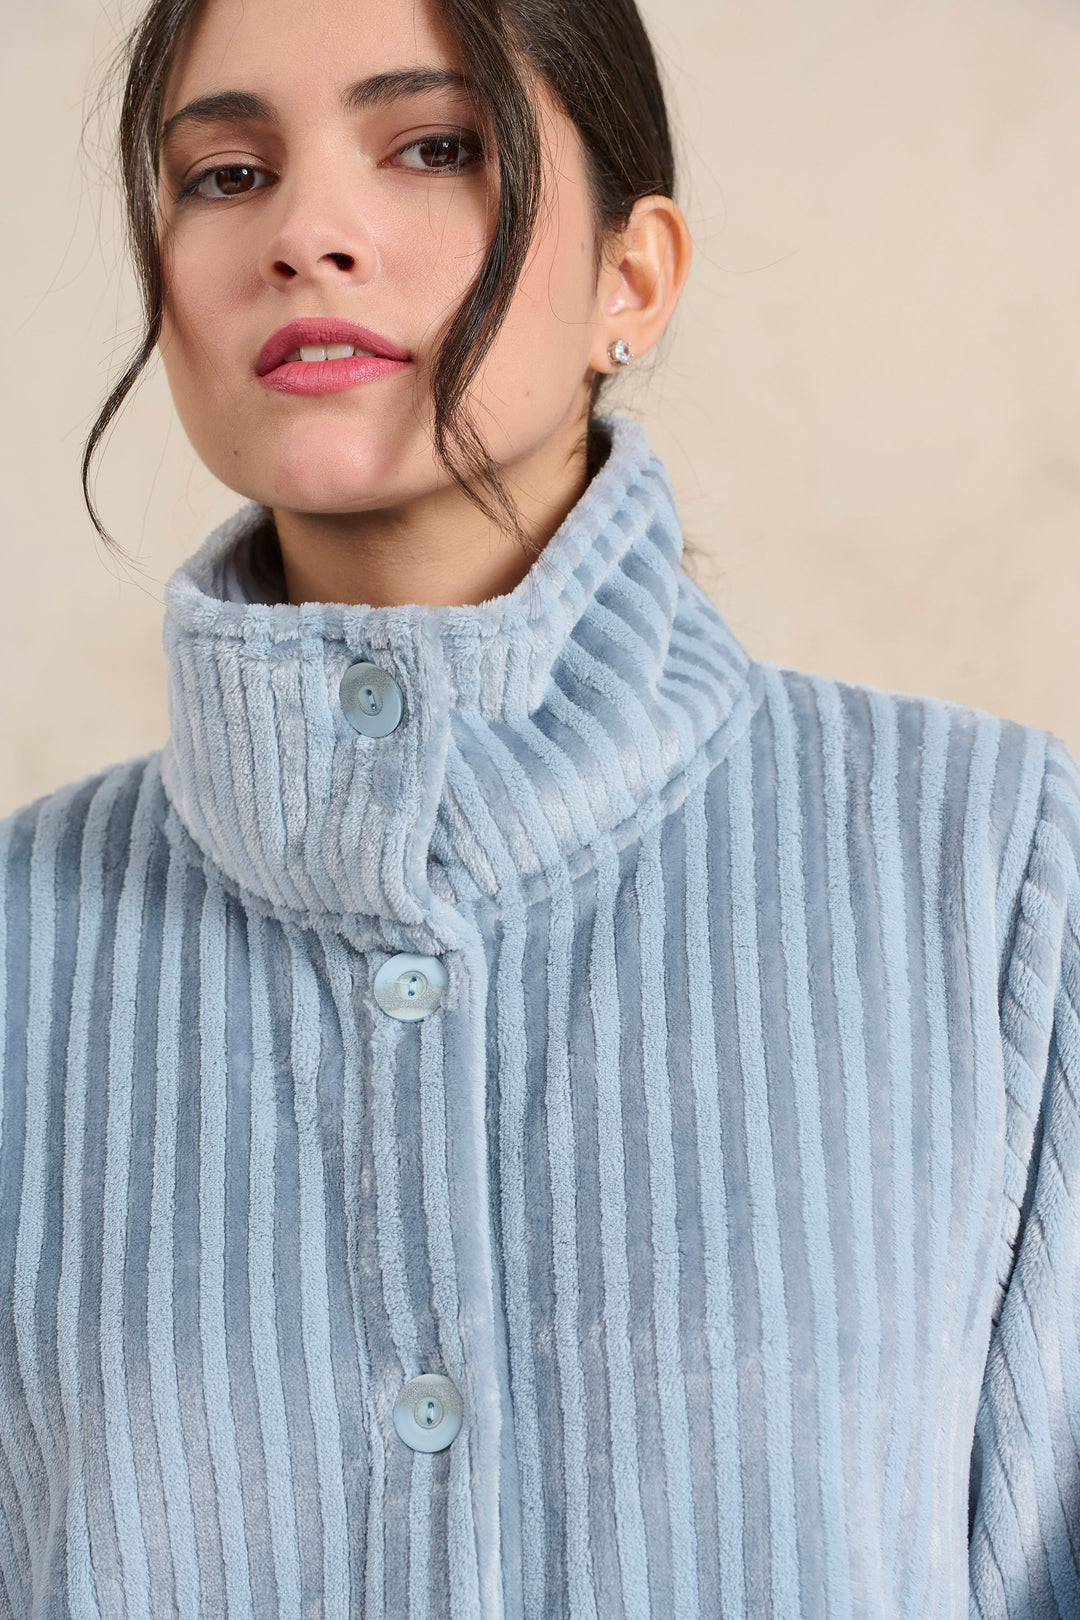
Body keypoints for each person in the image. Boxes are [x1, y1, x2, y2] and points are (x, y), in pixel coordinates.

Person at [1, 0, 1078, 1612]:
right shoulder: (21, 947)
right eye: (226, 174)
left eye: (433, 146)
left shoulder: (992, 876)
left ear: (631, 278)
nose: (305, 233)